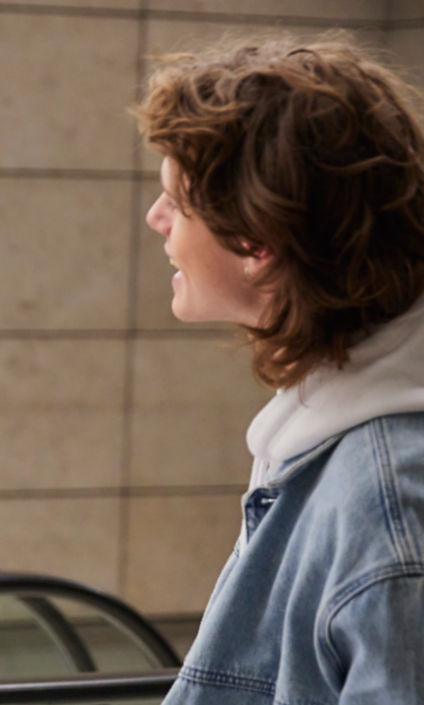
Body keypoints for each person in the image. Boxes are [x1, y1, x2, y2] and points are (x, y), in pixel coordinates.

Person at [135, 36, 424, 704]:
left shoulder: (387, 505)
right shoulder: (326, 438)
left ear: (256, 243)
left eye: (176, 205)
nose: (155, 220)